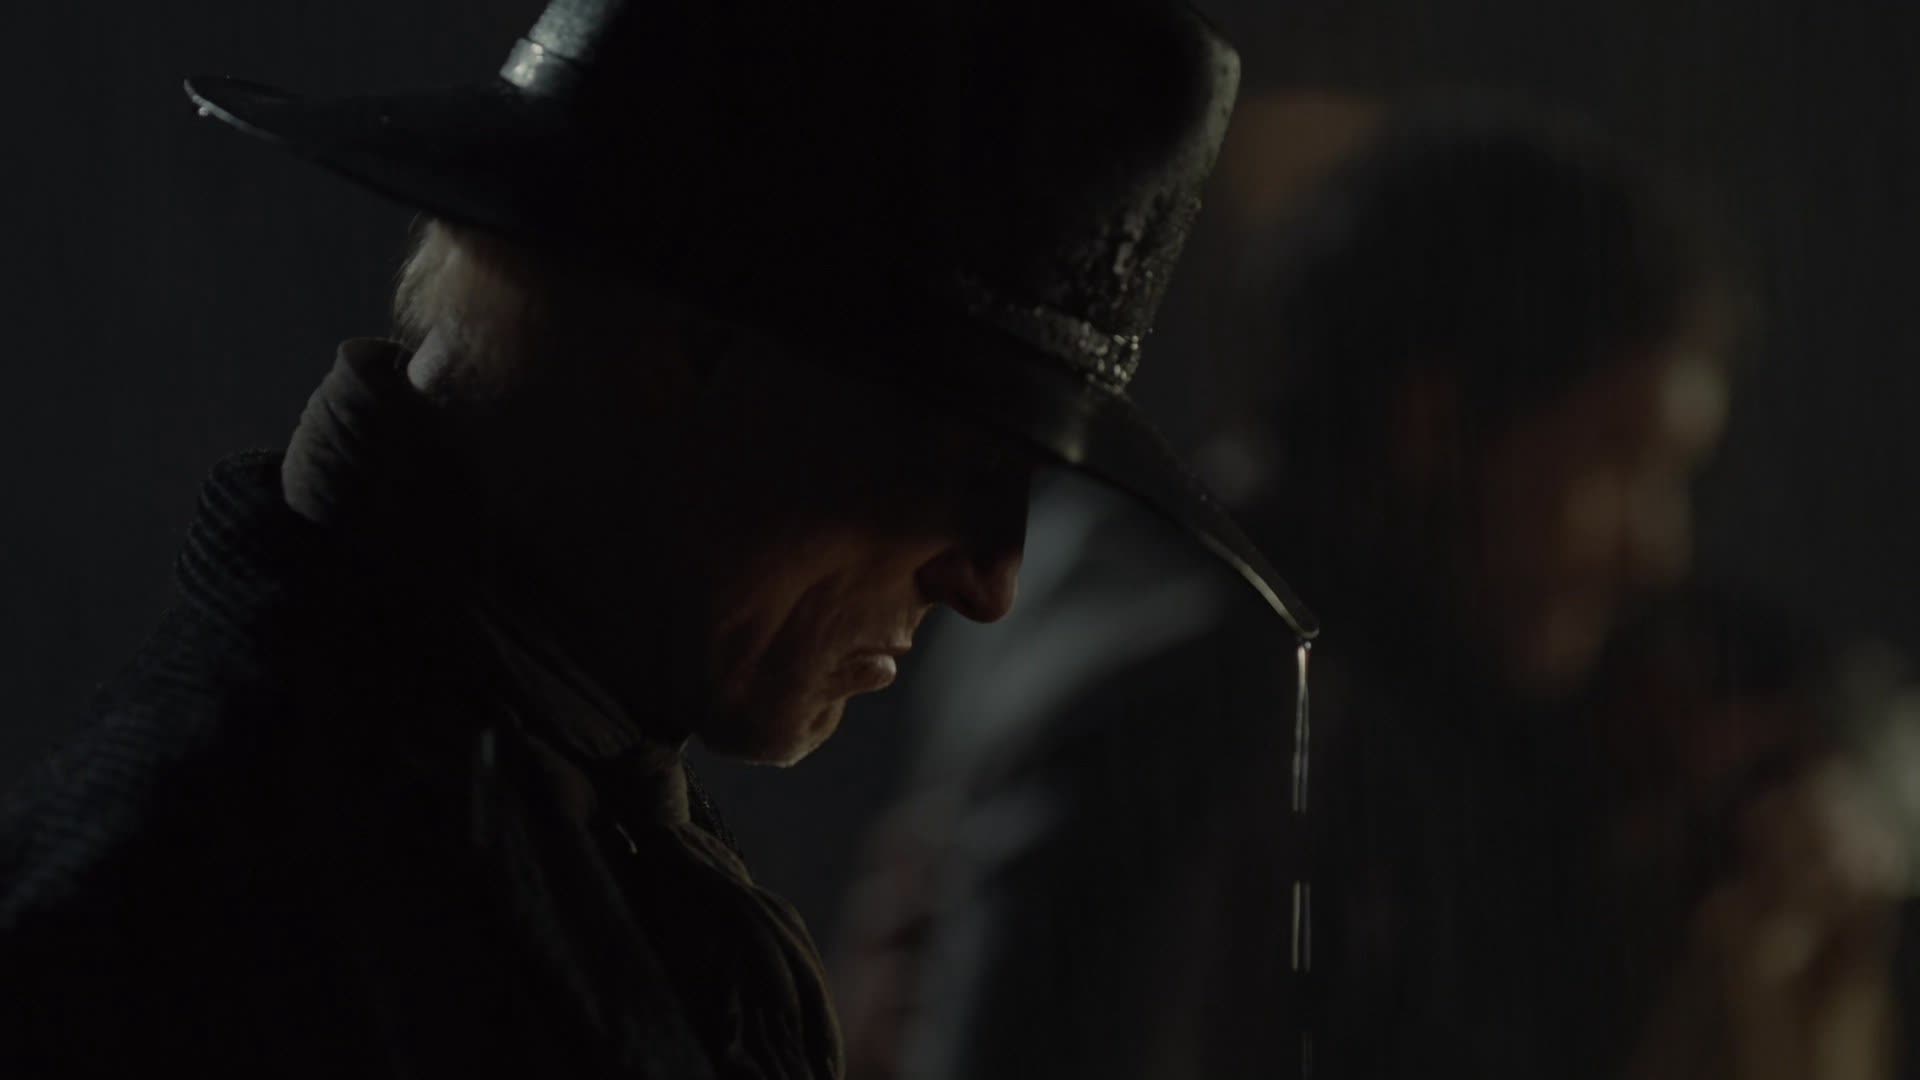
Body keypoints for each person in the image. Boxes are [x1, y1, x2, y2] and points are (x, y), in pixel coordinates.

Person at [0, 1, 1316, 1075]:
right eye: (960, 462)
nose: (991, 579)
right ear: (690, 343)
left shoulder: (494, 842)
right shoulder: (186, 939)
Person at [835, 106, 1850, 1080]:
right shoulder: (1226, 707)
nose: (1656, 550)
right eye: (1620, 460)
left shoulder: (1121, 560)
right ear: (1434, 424)